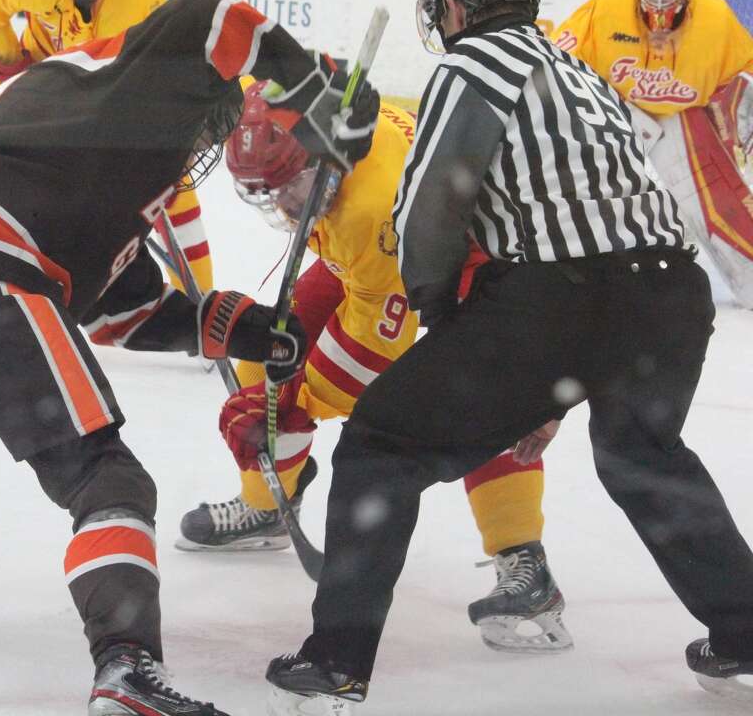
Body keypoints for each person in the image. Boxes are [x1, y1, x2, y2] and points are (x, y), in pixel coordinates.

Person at [0, 0, 379, 716]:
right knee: (106, 476)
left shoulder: (83, 150)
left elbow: (122, 311)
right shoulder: (142, 81)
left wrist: (234, 326)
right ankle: (126, 664)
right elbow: (213, 14)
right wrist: (310, 88)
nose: (205, 145)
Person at [263, 0, 753, 713]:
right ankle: (747, 634)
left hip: (567, 298)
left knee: (384, 441)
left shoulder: (471, 62)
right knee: (642, 455)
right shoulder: (575, 66)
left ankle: (337, 661)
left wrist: (444, 318)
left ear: (456, 7)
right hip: (670, 296)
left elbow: (430, 205)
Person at [177, 81, 573, 655]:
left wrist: (293, 404)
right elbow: (235, 86)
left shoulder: (371, 207)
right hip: (391, 256)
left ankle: (526, 563)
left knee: (484, 403)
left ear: (325, 159)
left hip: (493, 268)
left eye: (292, 187)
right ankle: (267, 505)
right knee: (269, 351)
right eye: (268, 194)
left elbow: (369, 359)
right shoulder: (307, 110)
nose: (285, 207)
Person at [0, 0, 212, 292]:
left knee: (170, 179)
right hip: (38, 82)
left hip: (108, 93)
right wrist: (8, 61)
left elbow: (148, 71)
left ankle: (200, 300)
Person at [553, 0, 753, 309]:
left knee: (713, 200)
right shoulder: (607, 7)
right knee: (583, 192)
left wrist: (732, 118)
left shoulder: (716, 16)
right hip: (615, 109)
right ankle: (571, 268)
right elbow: (558, 57)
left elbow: (746, 73)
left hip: (681, 119)